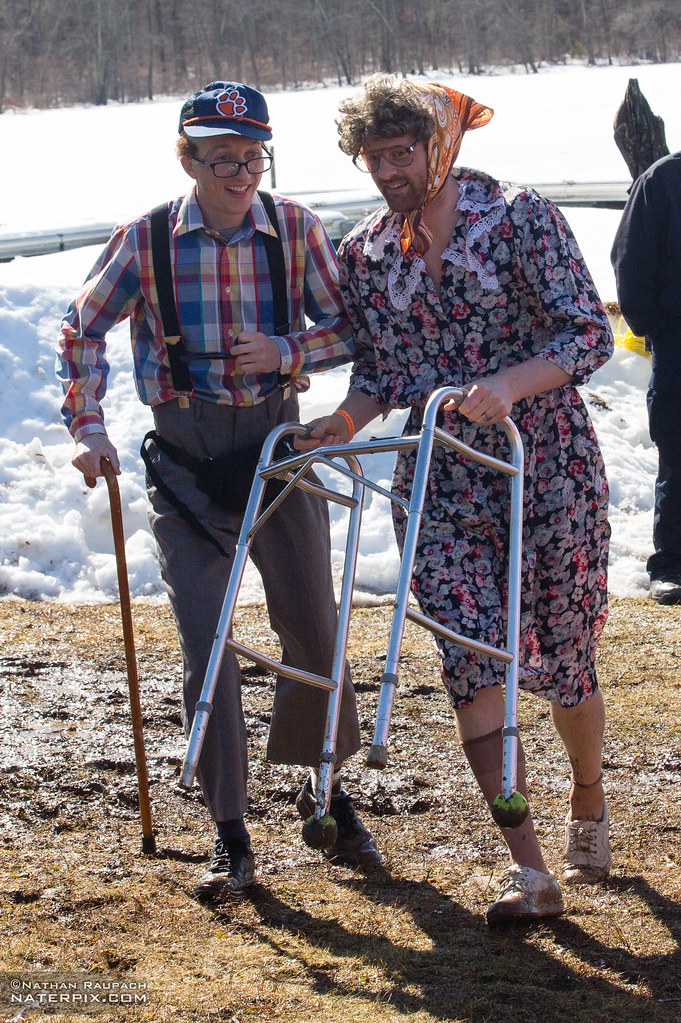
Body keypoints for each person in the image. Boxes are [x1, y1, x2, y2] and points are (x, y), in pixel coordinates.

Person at [298, 74, 613, 923]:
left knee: (563, 657)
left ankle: (587, 794)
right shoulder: (367, 249)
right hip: (439, 479)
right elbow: (382, 369)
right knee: (470, 657)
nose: (388, 173)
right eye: (373, 159)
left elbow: (587, 331)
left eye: (401, 153)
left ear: (440, 145)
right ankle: (529, 868)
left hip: (543, 463)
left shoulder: (515, 215)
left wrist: (507, 385)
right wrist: (342, 419)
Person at [56, 80, 380, 901]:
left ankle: (328, 792)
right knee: (209, 644)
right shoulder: (148, 240)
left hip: (279, 447)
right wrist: (89, 429)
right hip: (187, 462)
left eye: (252, 157)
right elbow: (81, 328)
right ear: (187, 158)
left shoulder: (295, 229)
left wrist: (285, 350)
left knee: (311, 624)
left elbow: (353, 331)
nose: (241, 174)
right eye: (223, 159)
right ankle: (230, 831)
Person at [611, 151, 681, 604]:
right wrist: (661, 329)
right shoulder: (663, 181)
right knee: (679, 455)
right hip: (679, 344)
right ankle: (671, 563)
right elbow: (630, 262)